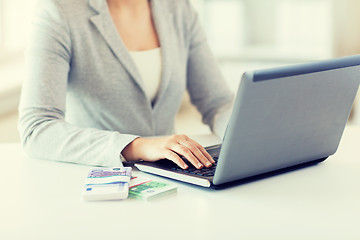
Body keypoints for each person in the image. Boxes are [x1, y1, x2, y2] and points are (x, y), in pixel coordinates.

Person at [18, 0, 233, 170]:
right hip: (97, 182)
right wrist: (137, 146)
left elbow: (218, 102)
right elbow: (37, 128)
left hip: (172, 179)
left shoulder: (179, 8)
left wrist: (247, 139)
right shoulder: (58, 12)